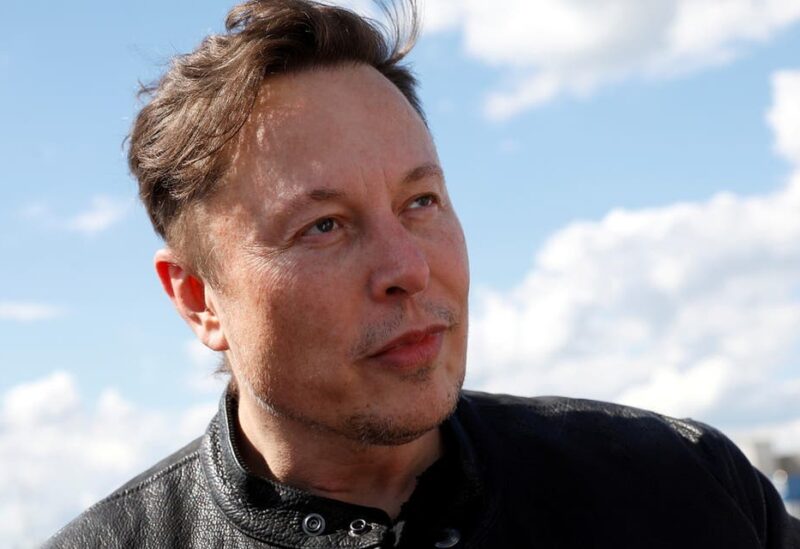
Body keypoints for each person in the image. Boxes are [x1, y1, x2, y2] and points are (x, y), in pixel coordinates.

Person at [46, 0, 800, 547]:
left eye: (421, 201)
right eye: (324, 226)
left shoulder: (685, 492)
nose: (407, 268)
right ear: (197, 297)